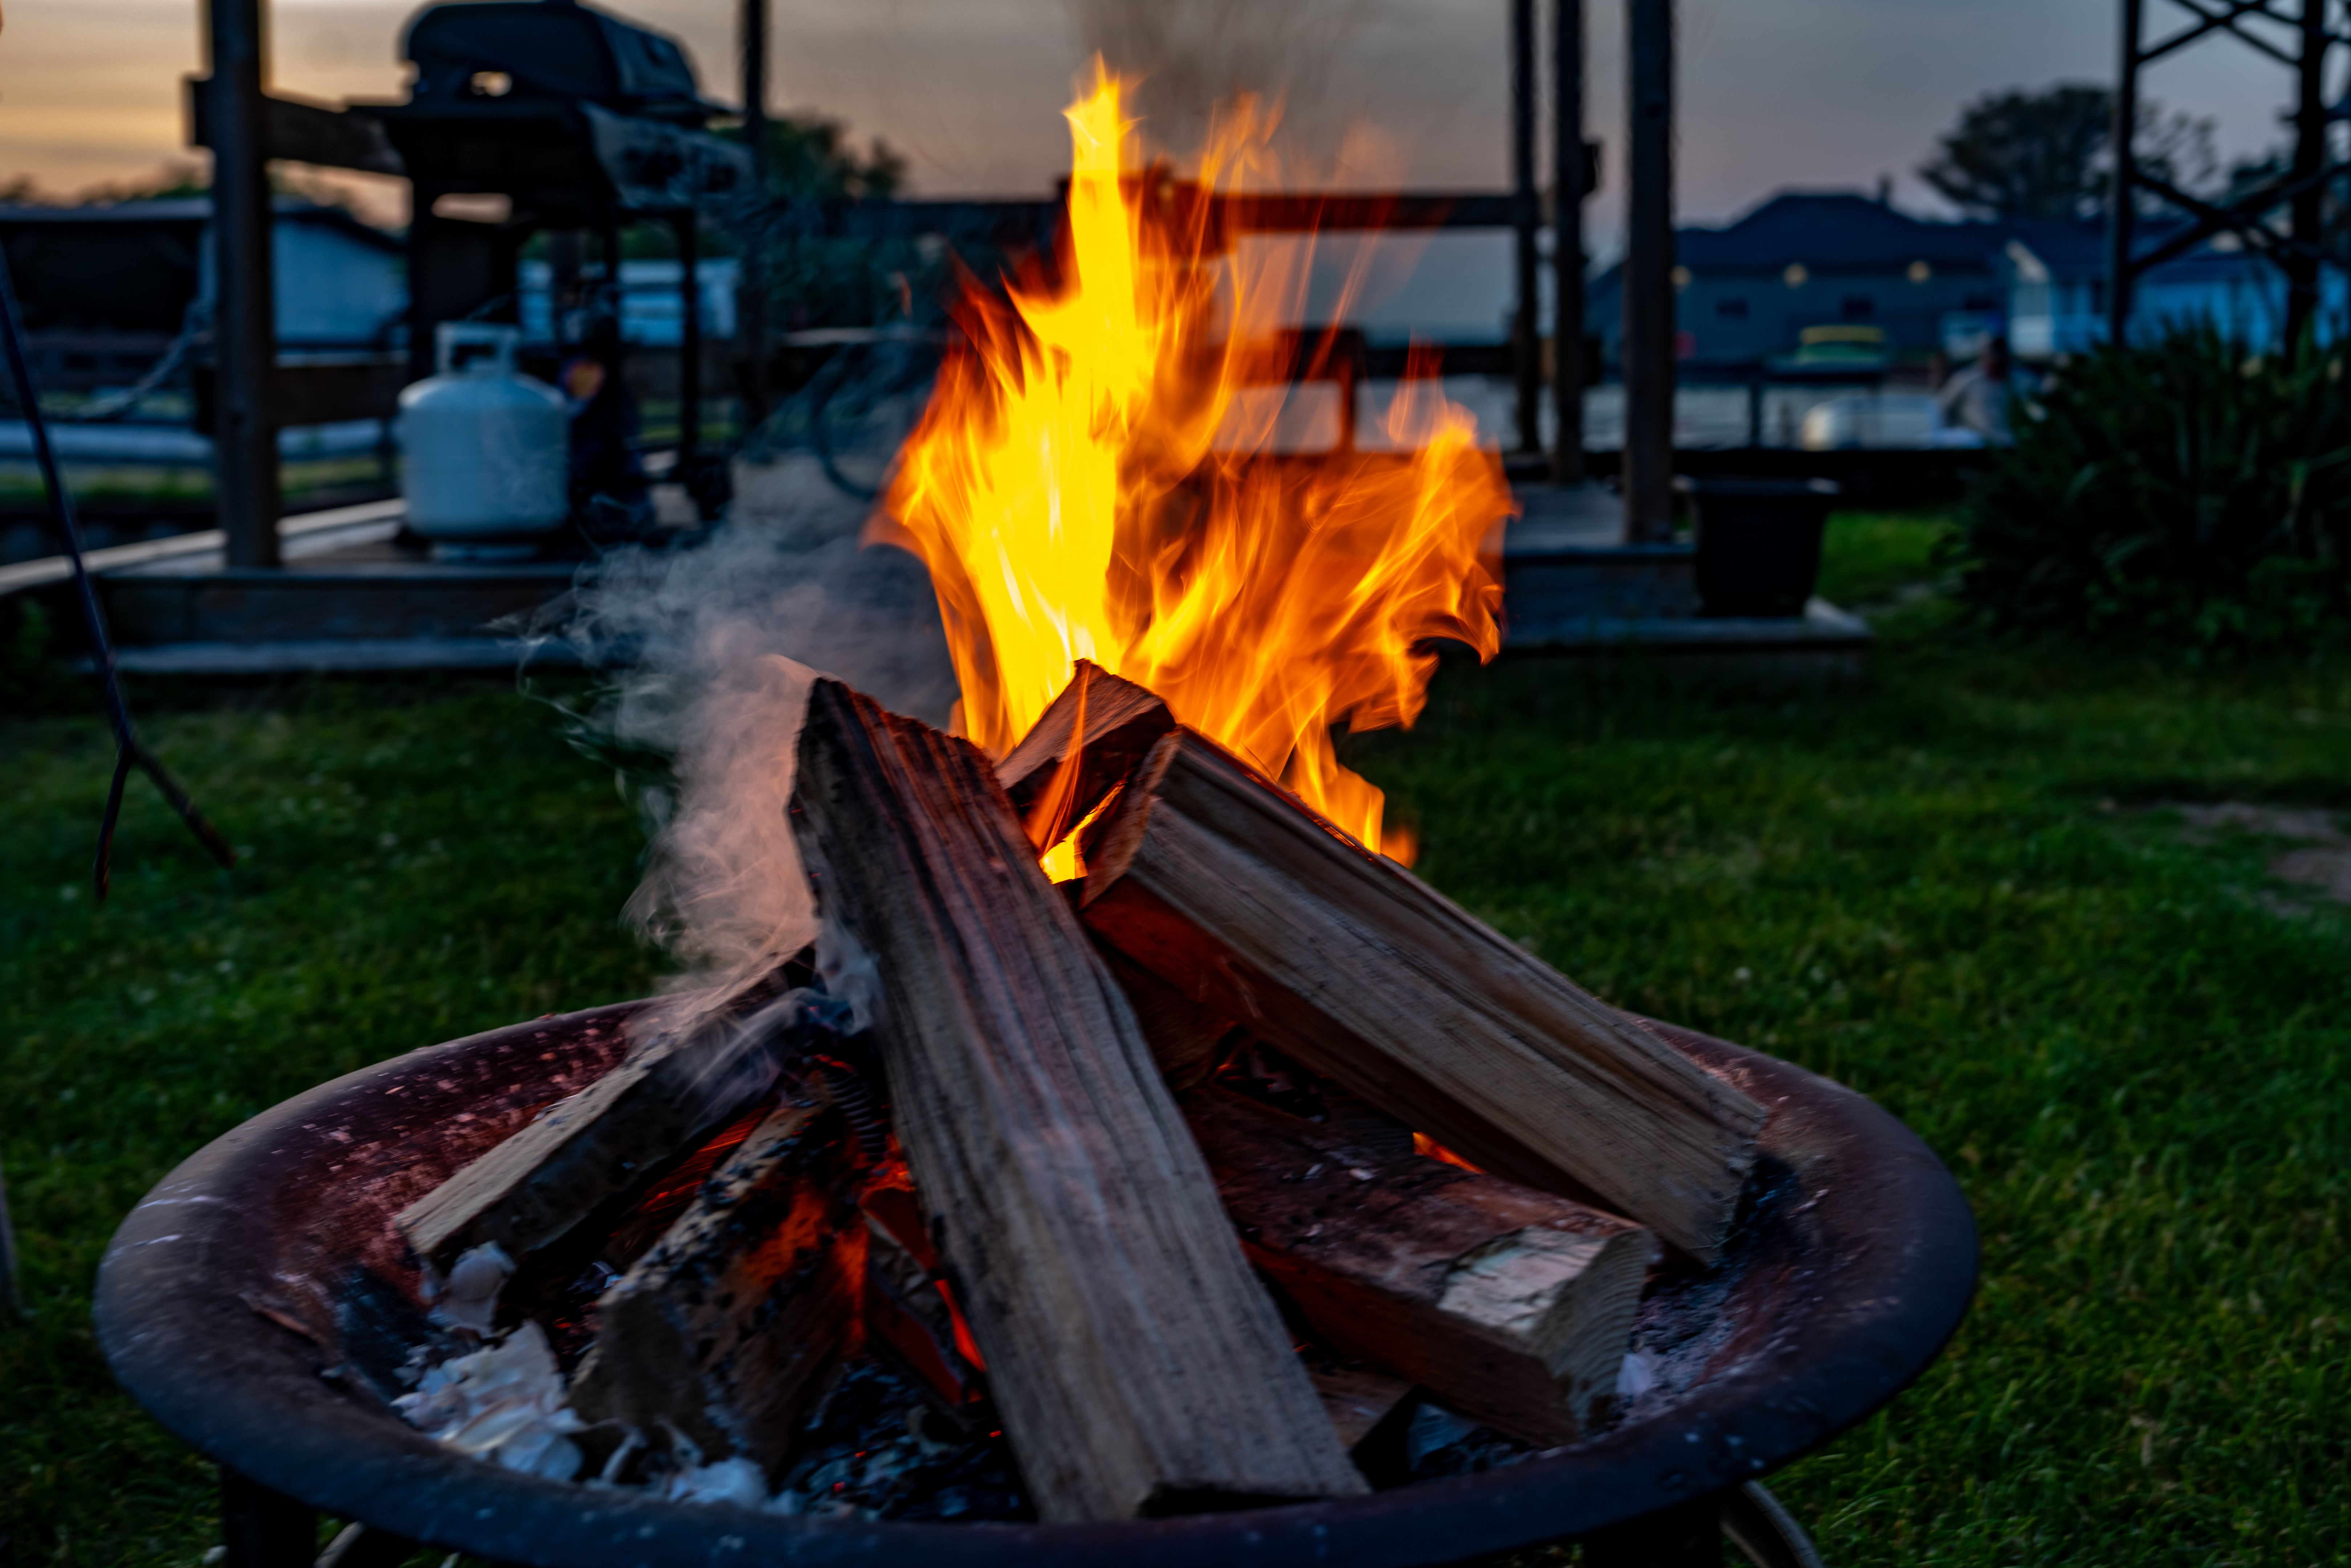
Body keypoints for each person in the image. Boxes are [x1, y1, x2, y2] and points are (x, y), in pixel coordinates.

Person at [1936, 335, 2038, 445]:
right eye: (1994, 355)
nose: (1997, 360)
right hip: (1977, 445)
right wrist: (1952, 434)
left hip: (2012, 444)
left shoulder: (2022, 380)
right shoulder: (1966, 380)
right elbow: (1943, 406)